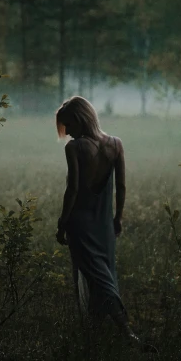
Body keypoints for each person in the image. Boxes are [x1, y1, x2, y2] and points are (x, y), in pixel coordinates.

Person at [55, 95, 141, 346]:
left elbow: (73, 190)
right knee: (104, 273)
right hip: (104, 224)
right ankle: (96, 330)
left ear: (80, 120)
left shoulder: (74, 148)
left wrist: (62, 223)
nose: (67, 132)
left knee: (96, 277)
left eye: (68, 125)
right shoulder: (115, 144)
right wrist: (118, 218)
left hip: (80, 224)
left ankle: (126, 332)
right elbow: (121, 187)